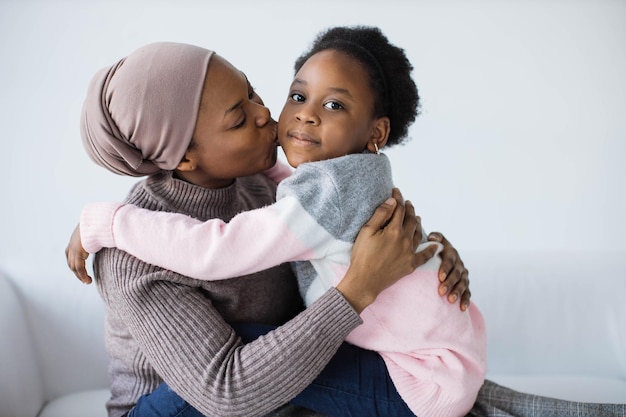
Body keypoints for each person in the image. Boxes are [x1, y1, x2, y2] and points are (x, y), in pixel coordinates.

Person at [73, 26, 487, 417]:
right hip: (195, 403)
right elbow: (226, 390)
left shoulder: (263, 184)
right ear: (183, 157)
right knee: (247, 343)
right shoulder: (132, 253)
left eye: (252, 91)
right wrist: (361, 287)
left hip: (276, 392)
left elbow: (338, 222)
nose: (265, 114)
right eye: (238, 117)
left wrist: (423, 258)